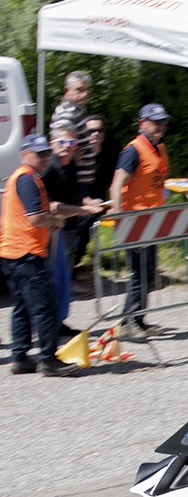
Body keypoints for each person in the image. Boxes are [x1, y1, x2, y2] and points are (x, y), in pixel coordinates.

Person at [0, 134, 102, 376]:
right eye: (39, 154)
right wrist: (55, 221)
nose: (45, 158)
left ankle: (20, 357)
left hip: (14, 253)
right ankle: (48, 359)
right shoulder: (26, 179)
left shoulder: (31, 178)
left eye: (47, 153)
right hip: (26, 253)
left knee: (23, 306)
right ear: (25, 154)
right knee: (46, 307)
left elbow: (51, 206)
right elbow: (37, 217)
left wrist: (81, 209)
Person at [109, 103, 171, 337]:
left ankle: (138, 320)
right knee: (139, 274)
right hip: (135, 221)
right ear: (142, 123)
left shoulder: (159, 148)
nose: (160, 127)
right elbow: (116, 185)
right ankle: (127, 323)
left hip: (151, 221)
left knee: (148, 273)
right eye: (156, 123)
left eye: (163, 123)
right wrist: (119, 218)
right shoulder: (133, 150)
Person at [42, 123, 103, 337]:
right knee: (51, 280)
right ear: (52, 144)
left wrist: (92, 203)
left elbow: (76, 196)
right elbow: (50, 205)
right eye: (62, 142)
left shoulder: (71, 166)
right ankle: (46, 326)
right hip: (53, 232)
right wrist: (80, 209)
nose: (67, 146)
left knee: (64, 280)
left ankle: (58, 322)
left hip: (69, 230)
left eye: (71, 142)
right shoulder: (49, 168)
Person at [73, 114, 118, 270]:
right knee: (81, 223)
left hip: (102, 203)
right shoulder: (78, 155)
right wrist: (86, 201)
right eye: (90, 131)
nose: (95, 134)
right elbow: (71, 185)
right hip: (78, 202)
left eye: (99, 130)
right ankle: (73, 264)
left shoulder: (110, 153)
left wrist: (115, 204)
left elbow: (116, 182)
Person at [49, 70, 96, 209]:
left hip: (80, 176)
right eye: (79, 90)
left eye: (87, 90)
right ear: (66, 90)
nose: (85, 94)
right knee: (76, 220)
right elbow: (60, 141)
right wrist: (72, 158)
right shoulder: (66, 113)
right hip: (75, 178)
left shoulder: (77, 109)